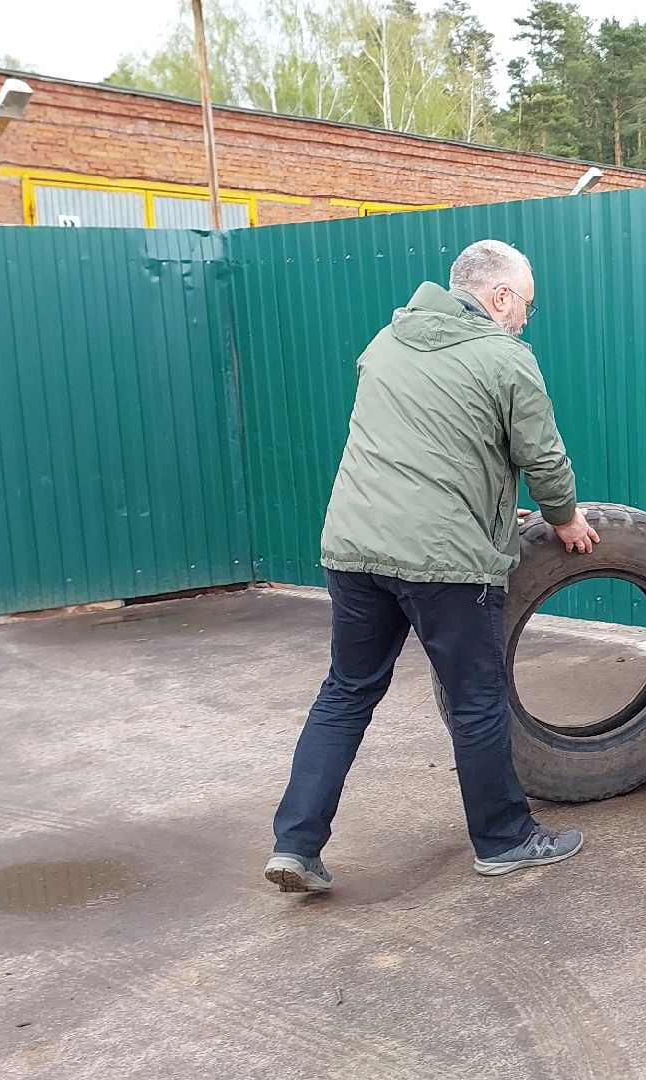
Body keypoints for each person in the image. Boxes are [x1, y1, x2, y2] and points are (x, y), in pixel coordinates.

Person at [264, 239, 599, 892]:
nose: (527, 317)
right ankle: (504, 840)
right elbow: (544, 460)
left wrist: (498, 512)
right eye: (526, 304)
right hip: (444, 565)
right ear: (500, 296)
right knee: (477, 701)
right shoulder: (505, 358)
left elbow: (427, 446)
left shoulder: (386, 343)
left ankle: (295, 844)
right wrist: (563, 518)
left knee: (346, 691)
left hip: (355, 550)